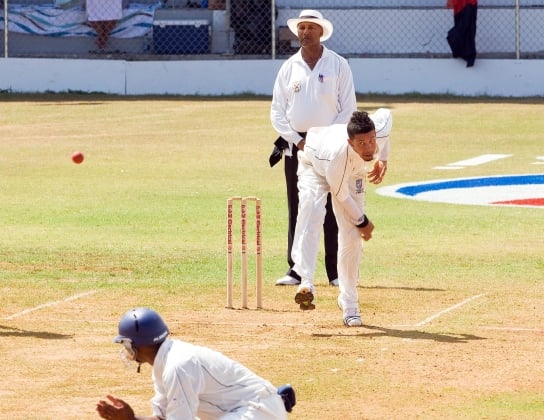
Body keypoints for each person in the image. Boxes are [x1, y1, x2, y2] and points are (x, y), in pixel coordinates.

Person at [270, 9, 357, 288]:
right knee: (298, 207)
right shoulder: (289, 67)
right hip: (297, 145)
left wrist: (327, 139)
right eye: (301, 28)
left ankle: (334, 272)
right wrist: (297, 140)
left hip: (330, 144)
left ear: (321, 32)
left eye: (311, 28)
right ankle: (296, 271)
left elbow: (348, 108)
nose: (305, 32)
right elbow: (277, 112)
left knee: (334, 205)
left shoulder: (338, 64)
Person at [96, 307, 295, 419]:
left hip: (258, 412)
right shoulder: (164, 363)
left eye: (125, 343)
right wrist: (131, 419)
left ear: (139, 344)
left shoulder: (177, 367)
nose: (125, 350)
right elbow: (163, 417)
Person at [291, 109, 392, 327]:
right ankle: (306, 283)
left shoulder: (379, 130)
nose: (369, 147)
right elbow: (341, 195)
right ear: (350, 142)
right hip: (315, 164)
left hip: (353, 172)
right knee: (313, 212)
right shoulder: (339, 156)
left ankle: (349, 303)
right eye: (362, 143)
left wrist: (383, 159)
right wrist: (363, 221)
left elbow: (386, 116)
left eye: (372, 141)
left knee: (352, 237)